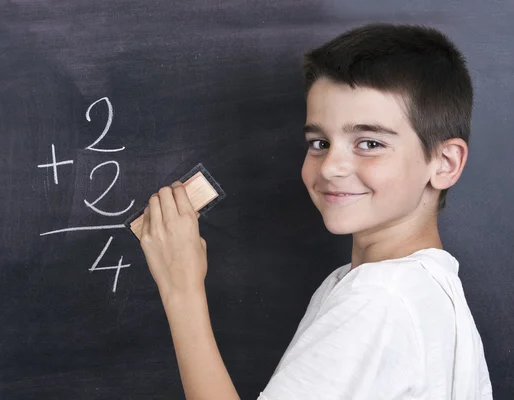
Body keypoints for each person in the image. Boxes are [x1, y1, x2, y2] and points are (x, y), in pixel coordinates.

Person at [138, 22, 493, 399]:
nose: (329, 166)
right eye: (319, 142)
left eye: (369, 143)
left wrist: (182, 290)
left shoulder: (379, 298)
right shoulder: (425, 287)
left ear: (445, 162)